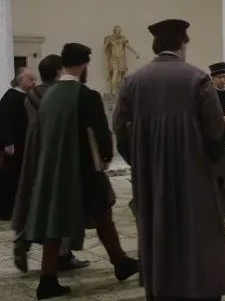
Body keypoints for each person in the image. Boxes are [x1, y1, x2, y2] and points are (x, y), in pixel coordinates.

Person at [113, 19, 225, 301]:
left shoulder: (132, 82)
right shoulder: (197, 79)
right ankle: (200, 289)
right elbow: (216, 130)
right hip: (193, 173)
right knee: (198, 229)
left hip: (150, 176)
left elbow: (120, 130)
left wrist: (141, 161)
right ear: (182, 43)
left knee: (157, 228)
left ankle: (162, 287)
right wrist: (208, 161)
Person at [24, 43, 138, 299]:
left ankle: (49, 278)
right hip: (83, 170)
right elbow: (101, 133)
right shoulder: (87, 95)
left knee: (56, 222)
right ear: (84, 65)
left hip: (54, 169)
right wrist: (106, 157)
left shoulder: (48, 95)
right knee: (103, 214)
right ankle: (120, 263)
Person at [12, 54, 90, 273]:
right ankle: (63, 256)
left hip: (34, 152)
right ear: (58, 72)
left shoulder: (32, 95)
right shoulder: (60, 94)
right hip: (57, 153)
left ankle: (23, 240)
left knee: (34, 201)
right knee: (60, 204)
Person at [0, 68, 37, 220]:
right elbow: (4, 121)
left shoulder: (27, 97)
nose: (34, 83)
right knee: (11, 178)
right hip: (14, 146)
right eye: (30, 79)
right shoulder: (11, 96)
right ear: (21, 80)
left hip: (25, 144)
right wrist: (8, 142)